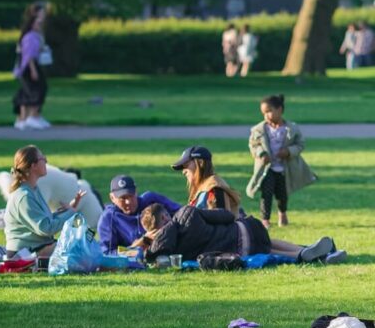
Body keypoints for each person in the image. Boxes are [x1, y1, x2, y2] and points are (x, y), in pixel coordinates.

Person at [172, 144, 330, 262]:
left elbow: (223, 215)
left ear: (199, 163)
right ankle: (310, 251)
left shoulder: (212, 187)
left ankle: (303, 254)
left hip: (234, 236)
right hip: (240, 230)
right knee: (268, 245)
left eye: (187, 165)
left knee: (266, 250)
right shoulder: (204, 188)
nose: (184, 169)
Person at [245, 94, 317, 228]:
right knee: (266, 193)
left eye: (269, 111)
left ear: (280, 110)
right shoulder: (259, 130)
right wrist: (261, 153)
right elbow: (253, 144)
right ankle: (265, 219)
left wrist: (289, 151)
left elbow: (300, 145)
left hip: (284, 168)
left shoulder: (291, 129)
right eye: (264, 113)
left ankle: (282, 213)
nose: (266, 115)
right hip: (267, 168)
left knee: (282, 194)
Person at [3, 145, 86, 259]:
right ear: (33, 166)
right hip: (23, 254)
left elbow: (45, 220)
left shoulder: (33, 190)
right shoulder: (24, 196)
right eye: (42, 158)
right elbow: (46, 228)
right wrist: (70, 213)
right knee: (79, 249)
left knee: (81, 245)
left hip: (37, 247)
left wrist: (66, 211)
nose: (46, 161)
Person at [137, 203, 272, 261]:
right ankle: (294, 253)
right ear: (164, 216)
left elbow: (132, 251)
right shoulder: (186, 213)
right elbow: (227, 216)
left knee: (271, 249)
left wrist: (145, 239)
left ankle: (294, 255)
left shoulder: (169, 253)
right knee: (270, 244)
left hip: (243, 252)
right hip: (249, 230)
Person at [0, 162, 102, 230]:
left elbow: (41, 222)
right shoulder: (43, 177)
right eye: (43, 159)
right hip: (80, 201)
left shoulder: (43, 177)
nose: (46, 161)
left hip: (82, 204)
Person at [97, 175, 181, 254]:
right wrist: (142, 243)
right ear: (112, 198)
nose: (128, 202)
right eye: (123, 198)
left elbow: (184, 213)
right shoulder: (108, 218)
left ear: (136, 191)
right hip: (137, 259)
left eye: (131, 196)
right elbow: (107, 254)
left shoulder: (151, 200)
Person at [12, 3, 51, 130]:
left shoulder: (33, 35)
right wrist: (33, 70)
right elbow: (28, 56)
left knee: (27, 91)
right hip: (29, 67)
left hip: (27, 67)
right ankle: (31, 117)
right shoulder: (30, 37)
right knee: (37, 90)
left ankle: (25, 118)